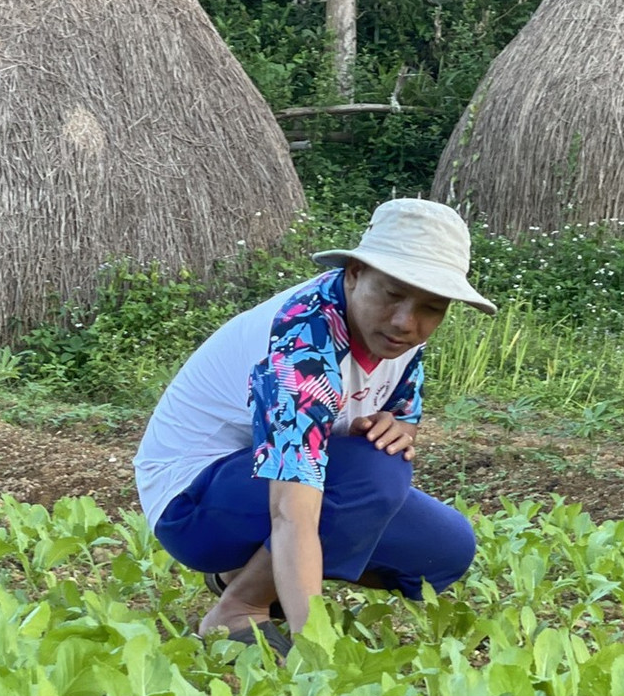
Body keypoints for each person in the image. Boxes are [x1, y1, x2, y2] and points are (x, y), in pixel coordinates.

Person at [133, 197, 495, 651]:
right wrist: (318, 651)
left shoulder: (398, 340)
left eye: (431, 306)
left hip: (269, 491)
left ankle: (241, 576)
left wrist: (399, 429)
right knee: (376, 473)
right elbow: (292, 514)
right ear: (355, 274)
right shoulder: (301, 347)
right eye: (392, 294)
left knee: (445, 550)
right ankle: (238, 609)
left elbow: (402, 415)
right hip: (191, 502)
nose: (406, 321)